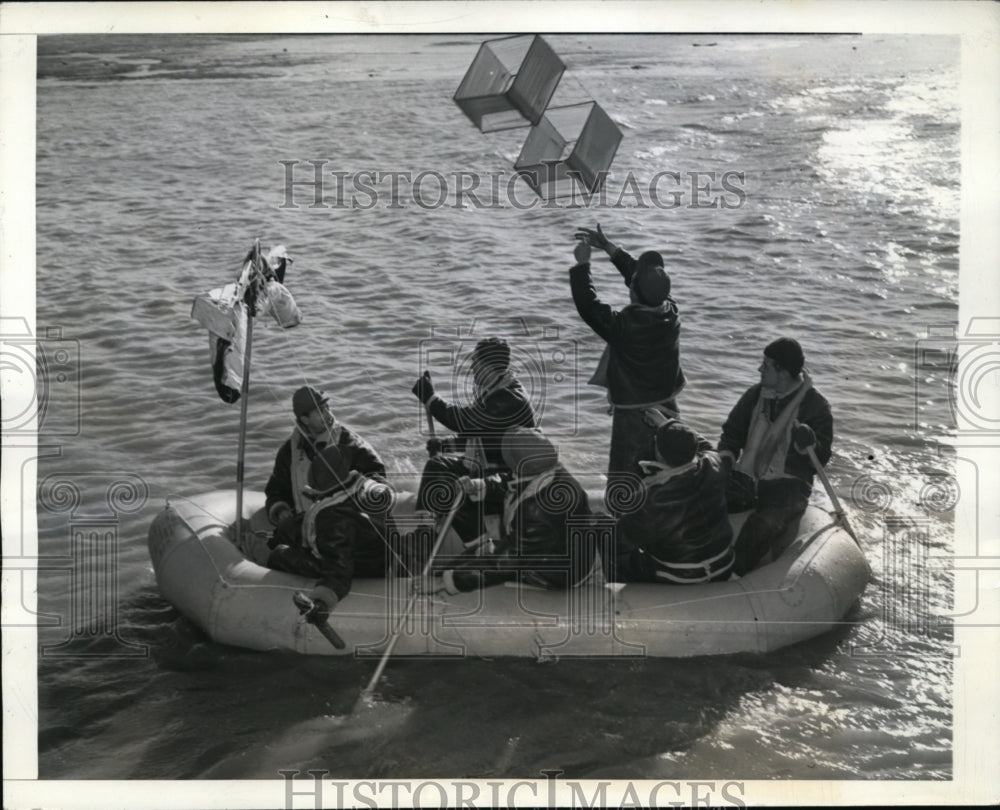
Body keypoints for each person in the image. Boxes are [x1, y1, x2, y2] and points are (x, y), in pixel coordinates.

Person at [570, 224, 685, 509]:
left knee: (624, 483)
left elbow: (589, 306)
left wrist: (583, 264)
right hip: (668, 408)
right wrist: (609, 248)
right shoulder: (670, 312)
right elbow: (639, 276)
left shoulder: (626, 327)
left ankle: (625, 537)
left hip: (634, 418)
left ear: (633, 292)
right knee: (667, 471)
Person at [418, 428, 597, 595]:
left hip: (555, 571)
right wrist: (480, 485)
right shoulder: (548, 471)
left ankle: (440, 580)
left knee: (477, 558)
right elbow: (510, 481)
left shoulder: (539, 509)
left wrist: (446, 583)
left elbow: (509, 560)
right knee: (474, 556)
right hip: (547, 550)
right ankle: (441, 575)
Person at [718, 338, 833, 575]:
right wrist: (725, 462)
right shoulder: (755, 395)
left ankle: (732, 576)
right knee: (704, 500)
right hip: (747, 478)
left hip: (787, 486)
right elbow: (732, 433)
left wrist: (808, 443)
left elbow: (819, 460)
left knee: (766, 523)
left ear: (782, 372)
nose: (760, 369)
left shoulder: (815, 405)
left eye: (766, 365)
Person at [411, 337, 536, 547]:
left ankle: (480, 549)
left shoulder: (508, 398)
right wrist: (445, 446)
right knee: (436, 466)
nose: (472, 368)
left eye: (475, 363)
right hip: (491, 465)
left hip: (509, 478)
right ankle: (424, 536)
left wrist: (431, 399)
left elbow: (465, 421)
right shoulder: (497, 390)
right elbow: (481, 435)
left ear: (488, 367)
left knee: (455, 489)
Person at [266, 446, 395, 617]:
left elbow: (338, 571)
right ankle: (273, 538)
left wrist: (322, 602)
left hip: (361, 567)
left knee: (280, 554)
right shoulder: (367, 490)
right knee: (296, 524)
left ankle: (260, 551)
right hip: (379, 555)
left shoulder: (332, 519)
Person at [612, 416, 734, 584]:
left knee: (610, 543)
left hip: (680, 576)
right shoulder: (714, 465)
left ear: (659, 454)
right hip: (724, 565)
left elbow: (618, 540)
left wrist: (599, 521)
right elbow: (705, 446)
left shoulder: (655, 499)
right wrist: (667, 423)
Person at [264, 385, 388, 536]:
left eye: (327, 407)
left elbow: (377, 479)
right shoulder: (288, 452)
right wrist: (280, 509)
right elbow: (276, 490)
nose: (328, 414)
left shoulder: (350, 444)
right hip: (307, 526)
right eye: (320, 411)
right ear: (305, 419)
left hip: (348, 528)